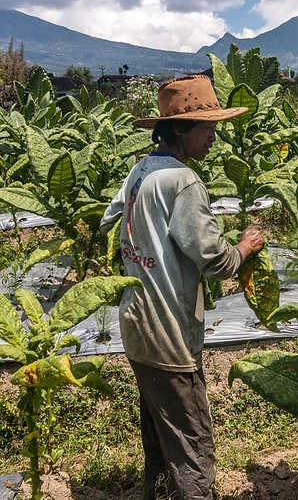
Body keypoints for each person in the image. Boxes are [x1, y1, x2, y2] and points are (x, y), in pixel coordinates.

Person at [99, 74, 264, 500]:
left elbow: (107, 219)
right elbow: (215, 261)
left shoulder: (141, 169)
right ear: (178, 129)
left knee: (159, 434)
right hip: (169, 335)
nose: (212, 138)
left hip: (136, 326)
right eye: (206, 129)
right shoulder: (183, 182)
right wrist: (245, 247)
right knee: (193, 448)